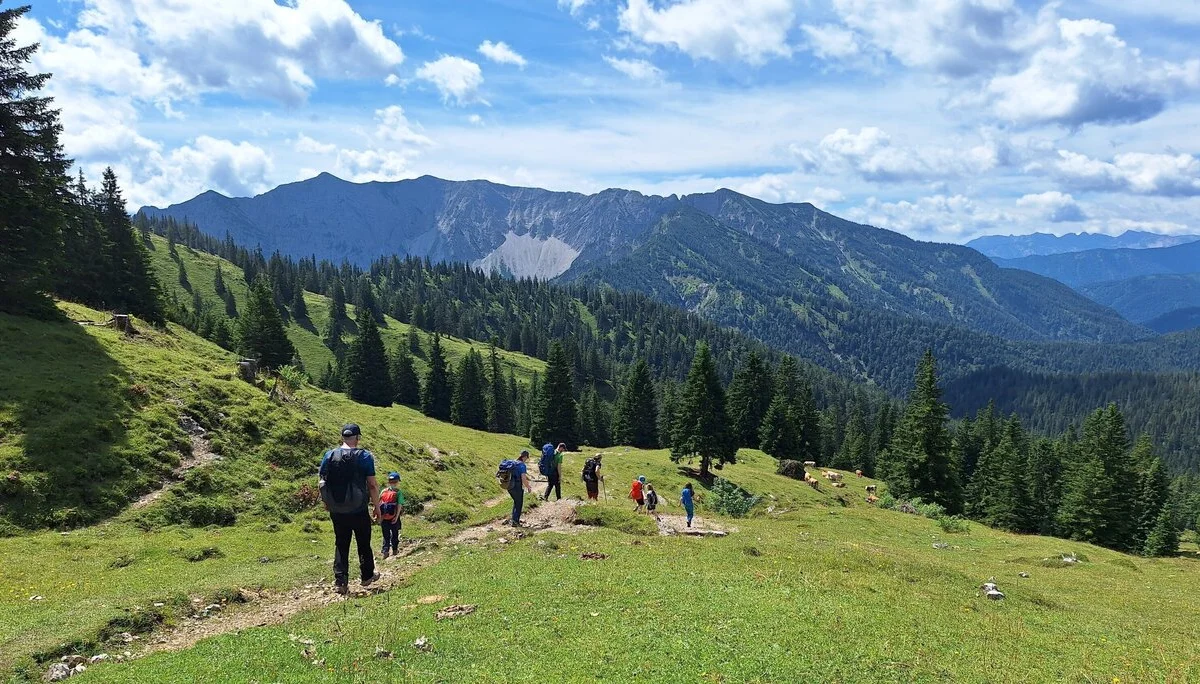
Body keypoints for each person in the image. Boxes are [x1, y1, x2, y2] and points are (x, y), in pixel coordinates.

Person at [318, 423, 380, 594]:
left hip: (337, 509)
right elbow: (373, 485)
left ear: (342, 437)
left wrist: (327, 502)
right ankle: (367, 576)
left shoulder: (329, 455)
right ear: (358, 438)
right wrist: (377, 507)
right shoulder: (365, 456)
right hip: (359, 508)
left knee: (341, 543)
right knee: (363, 542)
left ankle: (340, 581)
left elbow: (322, 481)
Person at [379, 471, 405, 559]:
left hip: (384, 518)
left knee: (386, 535)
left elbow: (379, 504)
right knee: (395, 534)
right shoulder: (398, 493)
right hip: (394, 517)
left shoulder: (383, 491)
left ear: (389, 482)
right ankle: (394, 550)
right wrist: (396, 517)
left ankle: (385, 551)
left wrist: (379, 516)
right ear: (397, 482)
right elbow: (399, 506)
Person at [507, 450, 533, 526]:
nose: (527, 460)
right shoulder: (522, 465)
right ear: (525, 457)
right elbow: (523, 479)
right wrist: (528, 487)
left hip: (509, 486)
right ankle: (515, 522)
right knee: (519, 503)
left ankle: (514, 520)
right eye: (527, 458)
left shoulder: (514, 463)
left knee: (516, 501)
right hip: (516, 486)